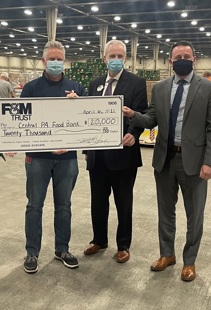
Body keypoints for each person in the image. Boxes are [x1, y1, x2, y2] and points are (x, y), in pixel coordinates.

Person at [123, 40, 211, 281]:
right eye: (177, 56)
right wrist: (133, 115)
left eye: (186, 56)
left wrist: (210, 162)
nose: (182, 60)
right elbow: (152, 120)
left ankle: (190, 261)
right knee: (165, 211)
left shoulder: (208, 89)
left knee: (194, 214)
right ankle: (167, 254)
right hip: (165, 160)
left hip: (195, 162)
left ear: (194, 59)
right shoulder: (160, 88)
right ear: (170, 61)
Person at [20, 40, 86, 274]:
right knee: (34, 205)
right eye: (52, 59)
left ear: (64, 61)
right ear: (43, 61)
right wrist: (47, 145)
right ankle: (32, 252)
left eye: (59, 59)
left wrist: (77, 106)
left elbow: (84, 124)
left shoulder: (76, 87)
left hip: (67, 158)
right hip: (38, 157)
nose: (56, 63)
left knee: (64, 205)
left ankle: (62, 249)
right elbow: (23, 124)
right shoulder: (31, 88)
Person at [83, 40, 148, 263]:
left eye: (120, 55)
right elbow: (88, 115)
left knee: (123, 202)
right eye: (112, 55)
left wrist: (134, 133)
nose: (116, 59)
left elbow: (140, 113)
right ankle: (99, 239)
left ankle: (123, 245)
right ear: (105, 58)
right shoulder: (95, 84)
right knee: (98, 202)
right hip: (97, 155)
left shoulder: (136, 83)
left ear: (125, 59)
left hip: (123, 155)